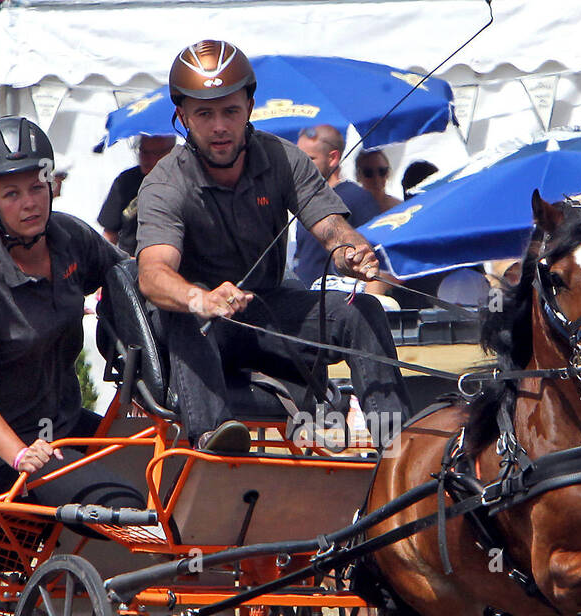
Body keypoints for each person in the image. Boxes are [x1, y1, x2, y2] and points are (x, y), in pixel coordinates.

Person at [135, 39, 410, 454]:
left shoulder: (284, 159)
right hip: (203, 328)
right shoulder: (164, 183)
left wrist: (352, 250)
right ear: (183, 117)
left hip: (266, 311)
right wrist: (202, 299)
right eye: (204, 114)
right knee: (184, 316)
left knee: (362, 310)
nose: (220, 126)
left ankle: (397, 441)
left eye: (230, 111)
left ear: (249, 107)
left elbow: (332, 229)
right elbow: (153, 275)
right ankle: (215, 438)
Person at [0, 116, 145, 513]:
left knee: (163, 466)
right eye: (12, 194)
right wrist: (18, 454)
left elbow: (129, 282)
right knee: (118, 502)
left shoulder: (71, 238)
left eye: (37, 187)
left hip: (59, 423)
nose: (29, 203)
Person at [291, 124, 380, 286]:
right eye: (298, 160)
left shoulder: (357, 197)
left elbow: (376, 257)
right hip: (304, 300)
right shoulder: (304, 199)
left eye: (309, 159)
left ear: (333, 158)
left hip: (339, 301)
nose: (300, 166)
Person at [99, 134, 176, 253]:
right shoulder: (126, 181)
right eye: (143, 151)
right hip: (131, 262)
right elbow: (109, 233)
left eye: (155, 153)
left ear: (171, 153)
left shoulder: (183, 183)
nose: (147, 159)